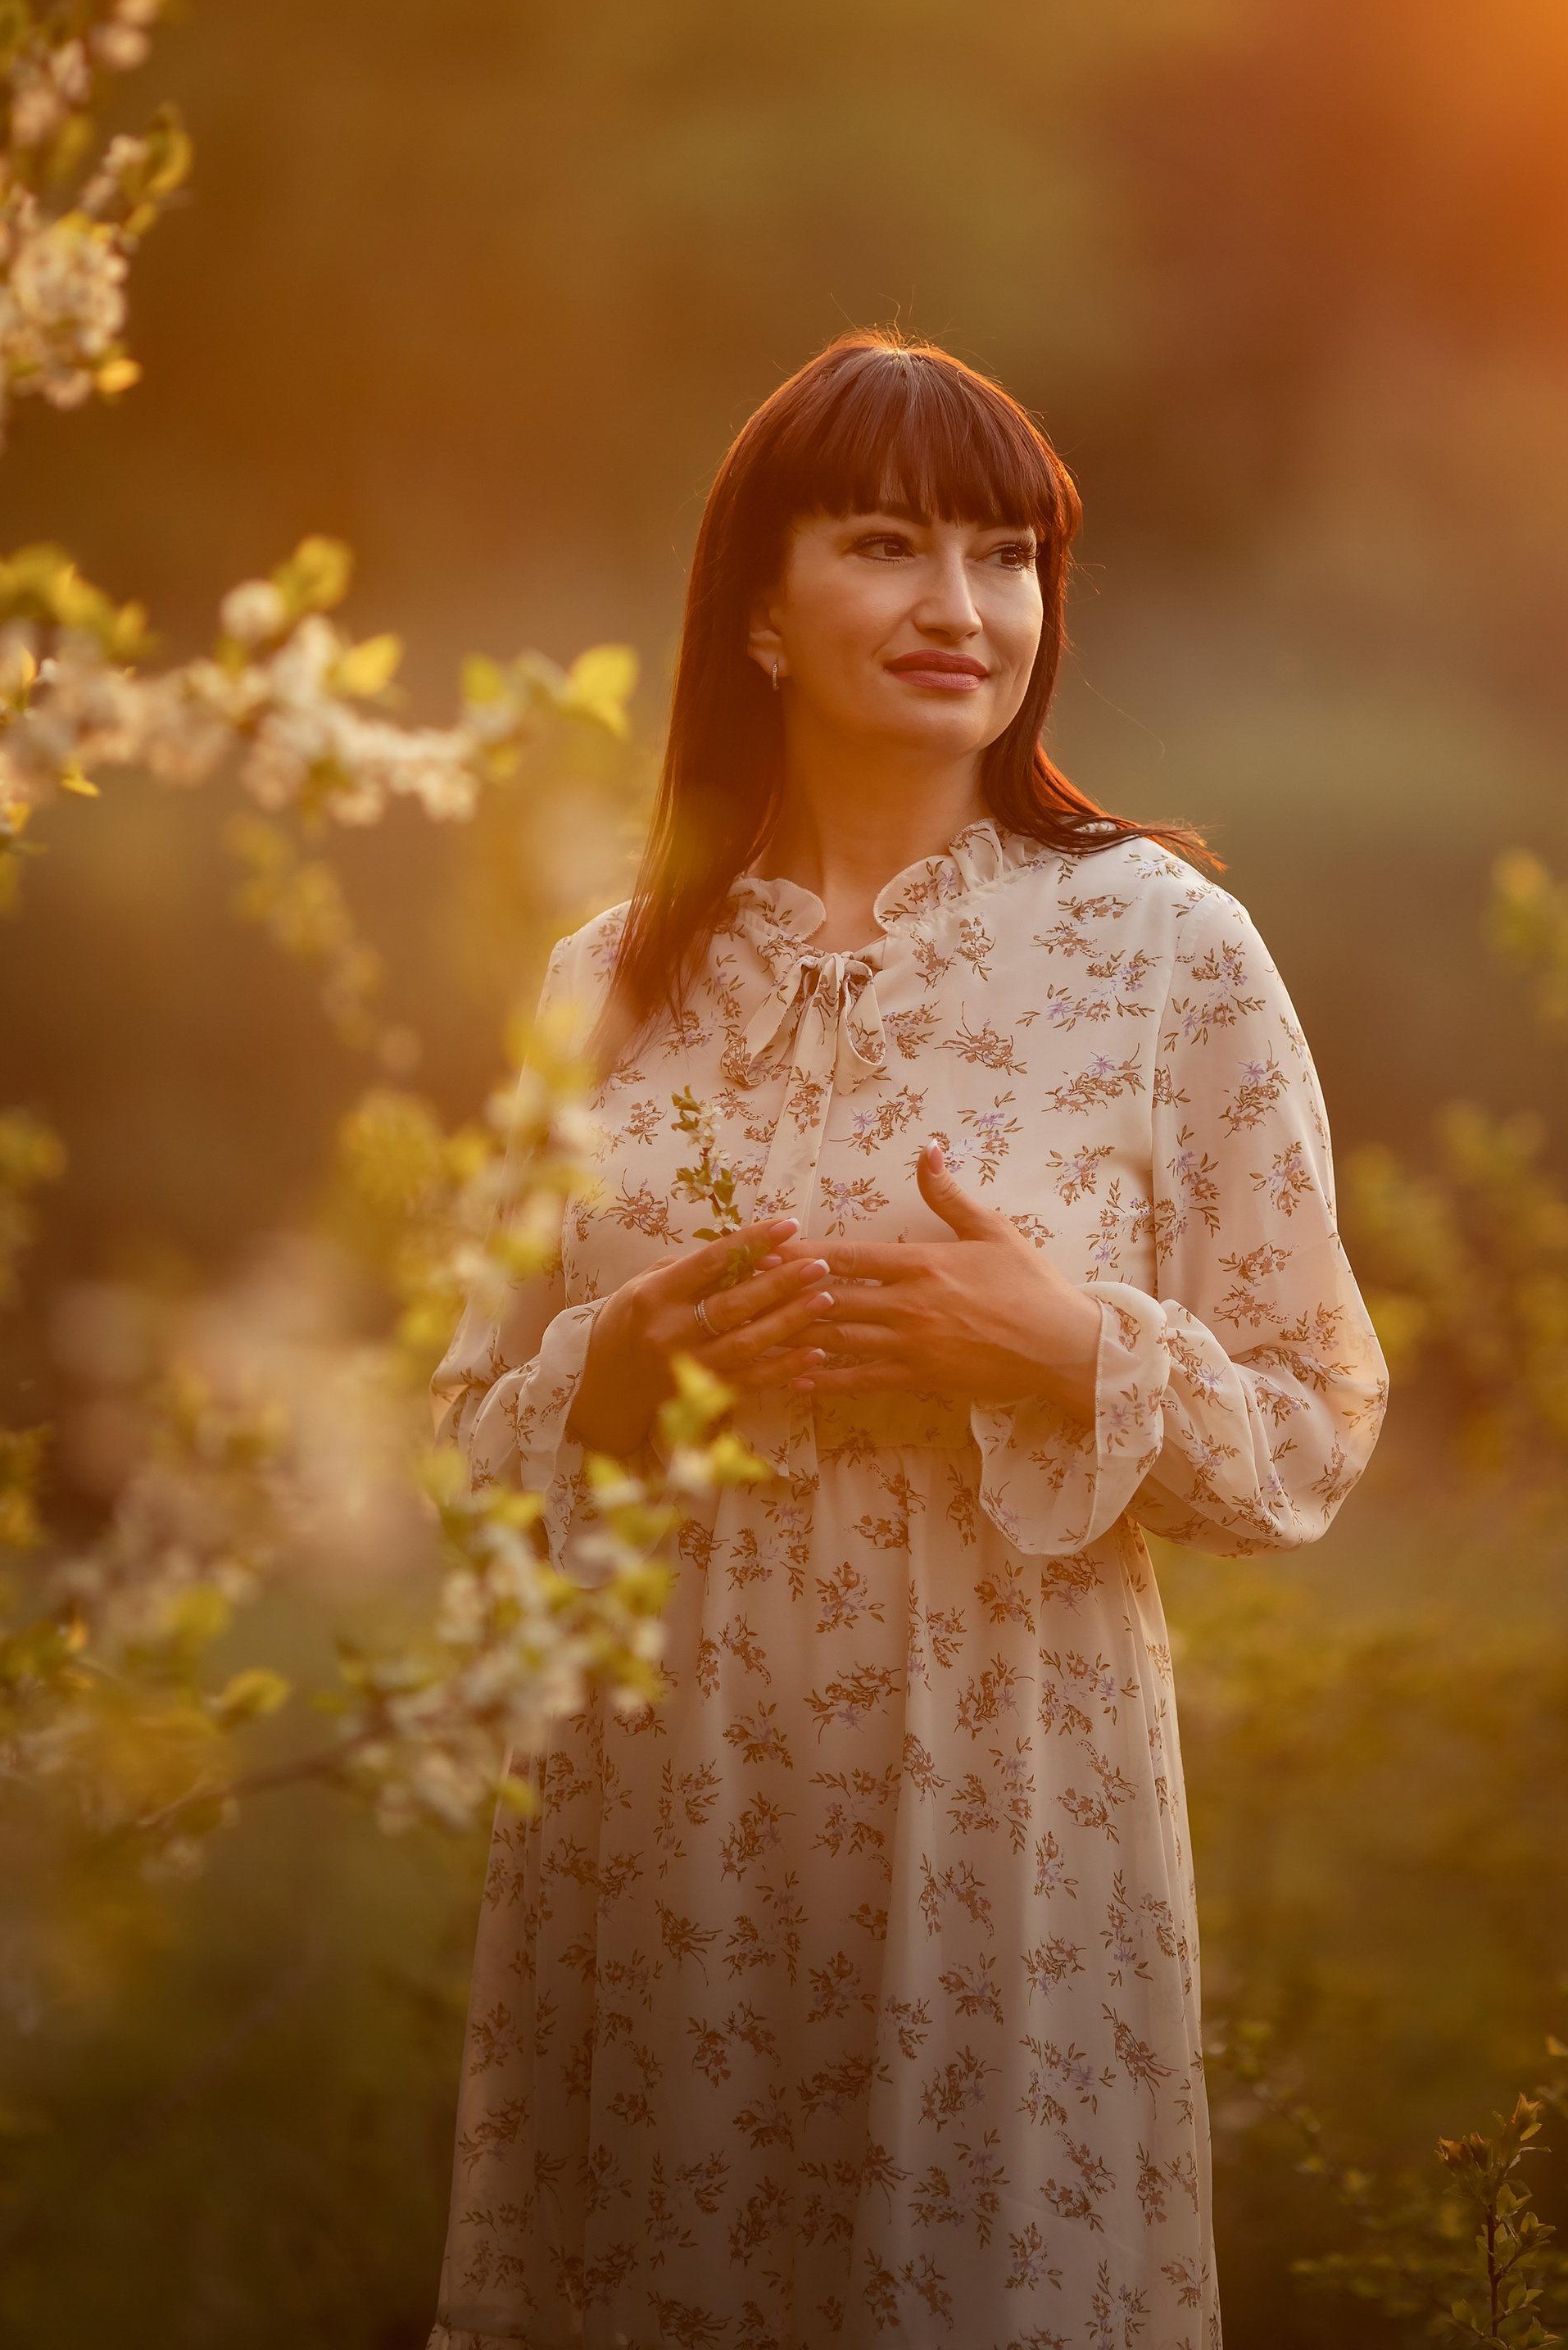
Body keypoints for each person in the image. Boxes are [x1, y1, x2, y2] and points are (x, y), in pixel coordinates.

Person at [428, 333, 1388, 2350]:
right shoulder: (599, 981)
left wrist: (1065, 1345)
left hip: (1008, 1811)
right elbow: (452, 1439)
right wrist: (603, 1384)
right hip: (656, 1812)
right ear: (758, 609)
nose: (964, 610)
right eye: (885, 545)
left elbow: (1305, 1430)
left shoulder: (1158, 949)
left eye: (1006, 555)